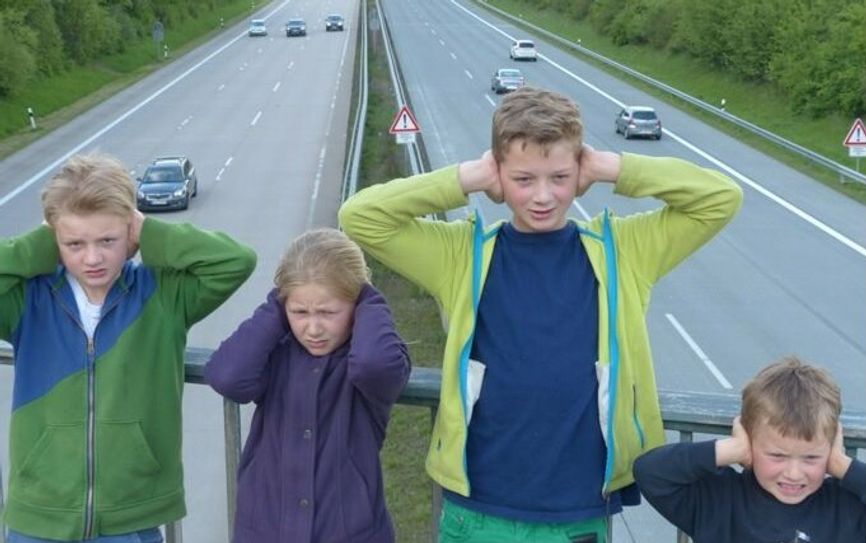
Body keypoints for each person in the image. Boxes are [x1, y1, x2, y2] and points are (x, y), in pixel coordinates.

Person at [339, 86, 743, 542]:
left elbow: (720, 198)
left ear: (580, 171)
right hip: (477, 511)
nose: (543, 196)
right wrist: (466, 178)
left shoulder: (623, 250)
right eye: (523, 179)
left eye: (560, 177)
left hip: (575, 513)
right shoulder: (462, 256)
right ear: (498, 173)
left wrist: (612, 167)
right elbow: (360, 216)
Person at [0, 153, 257, 542]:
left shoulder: (165, 295)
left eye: (108, 240)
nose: (93, 257)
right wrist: (40, 244)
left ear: (130, 233)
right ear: (54, 241)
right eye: (74, 243)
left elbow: (236, 261)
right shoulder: (28, 300)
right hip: (39, 516)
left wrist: (149, 230)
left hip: (131, 517)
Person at [205, 228, 411, 543]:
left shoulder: (368, 357)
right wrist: (277, 306)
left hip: (349, 533)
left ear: (356, 305)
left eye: (328, 313)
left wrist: (367, 296)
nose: (313, 328)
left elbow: (376, 365)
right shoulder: (277, 350)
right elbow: (228, 375)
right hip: (265, 531)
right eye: (299, 312)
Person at [634, 356, 866, 542]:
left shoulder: (846, 508)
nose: (794, 473)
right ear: (749, 441)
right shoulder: (718, 500)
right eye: (777, 455)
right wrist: (731, 450)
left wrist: (842, 466)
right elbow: (650, 472)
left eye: (811, 457)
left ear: (832, 447)